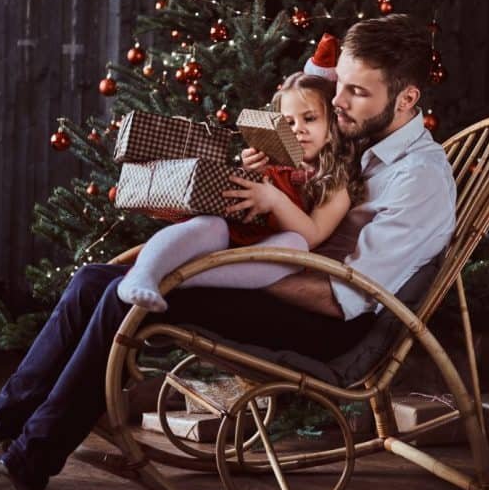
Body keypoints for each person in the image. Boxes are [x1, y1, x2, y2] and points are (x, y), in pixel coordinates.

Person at [0, 13, 456, 490]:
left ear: (407, 99)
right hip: (284, 276)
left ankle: (18, 474)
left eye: (356, 92)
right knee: (92, 280)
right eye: (341, 87)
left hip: (327, 322)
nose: (338, 102)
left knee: (125, 300)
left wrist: (215, 266)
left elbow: (345, 299)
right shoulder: (362, 134)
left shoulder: (418, 179)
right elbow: (310, 99)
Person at [117, 69, 363, 313]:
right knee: (210, 224)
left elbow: (312, 236)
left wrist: (275, 200)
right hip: (231, 235)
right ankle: (142, 275)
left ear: (332, 126)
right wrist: (249, 171)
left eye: (309, 119)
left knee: (295, 245)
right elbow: (235, 196)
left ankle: (184, 280)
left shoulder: (334, 183)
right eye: (288, 122)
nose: (298, 129)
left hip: (259, 255)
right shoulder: (274, 161)